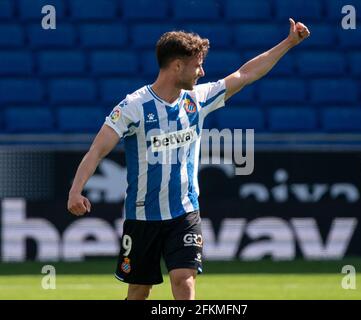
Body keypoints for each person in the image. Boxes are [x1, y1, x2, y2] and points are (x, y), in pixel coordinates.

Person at [67, 18, 310, 300]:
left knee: (184, 281)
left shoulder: (198, 99)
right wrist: (75, 190)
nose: (202, 71)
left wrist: (289, 43)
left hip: (184, 212)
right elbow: (97, 149)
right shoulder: (133, 107)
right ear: (177, 65)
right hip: (143, 215)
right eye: (197, 65)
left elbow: (245, 75)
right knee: (139, 292)